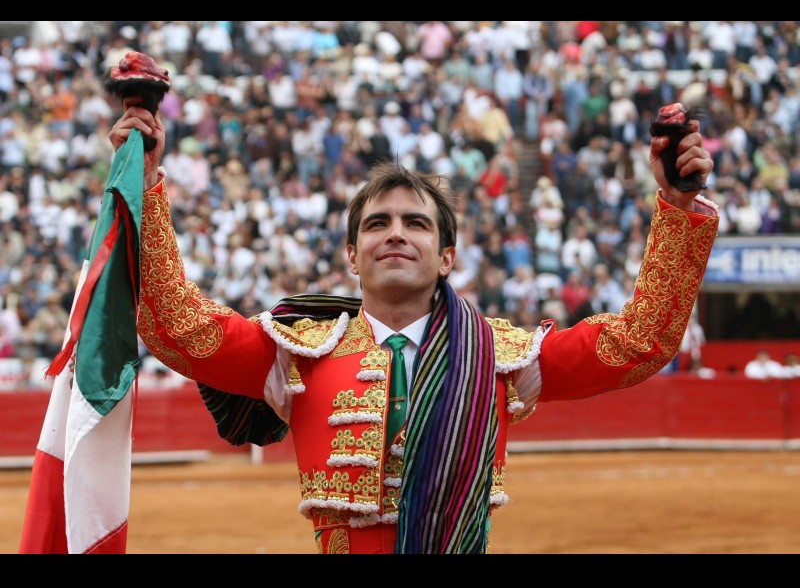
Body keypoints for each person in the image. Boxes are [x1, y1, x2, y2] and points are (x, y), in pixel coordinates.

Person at [109, 99, 718, 554]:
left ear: (446, 257)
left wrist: (677, 208)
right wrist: (149, 185)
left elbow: (642, 341)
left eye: (416, 223)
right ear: (353, 256)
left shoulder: (498, 356)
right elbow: (175, 326)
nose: (396, 234)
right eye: (377, 224)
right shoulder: (298, 354)